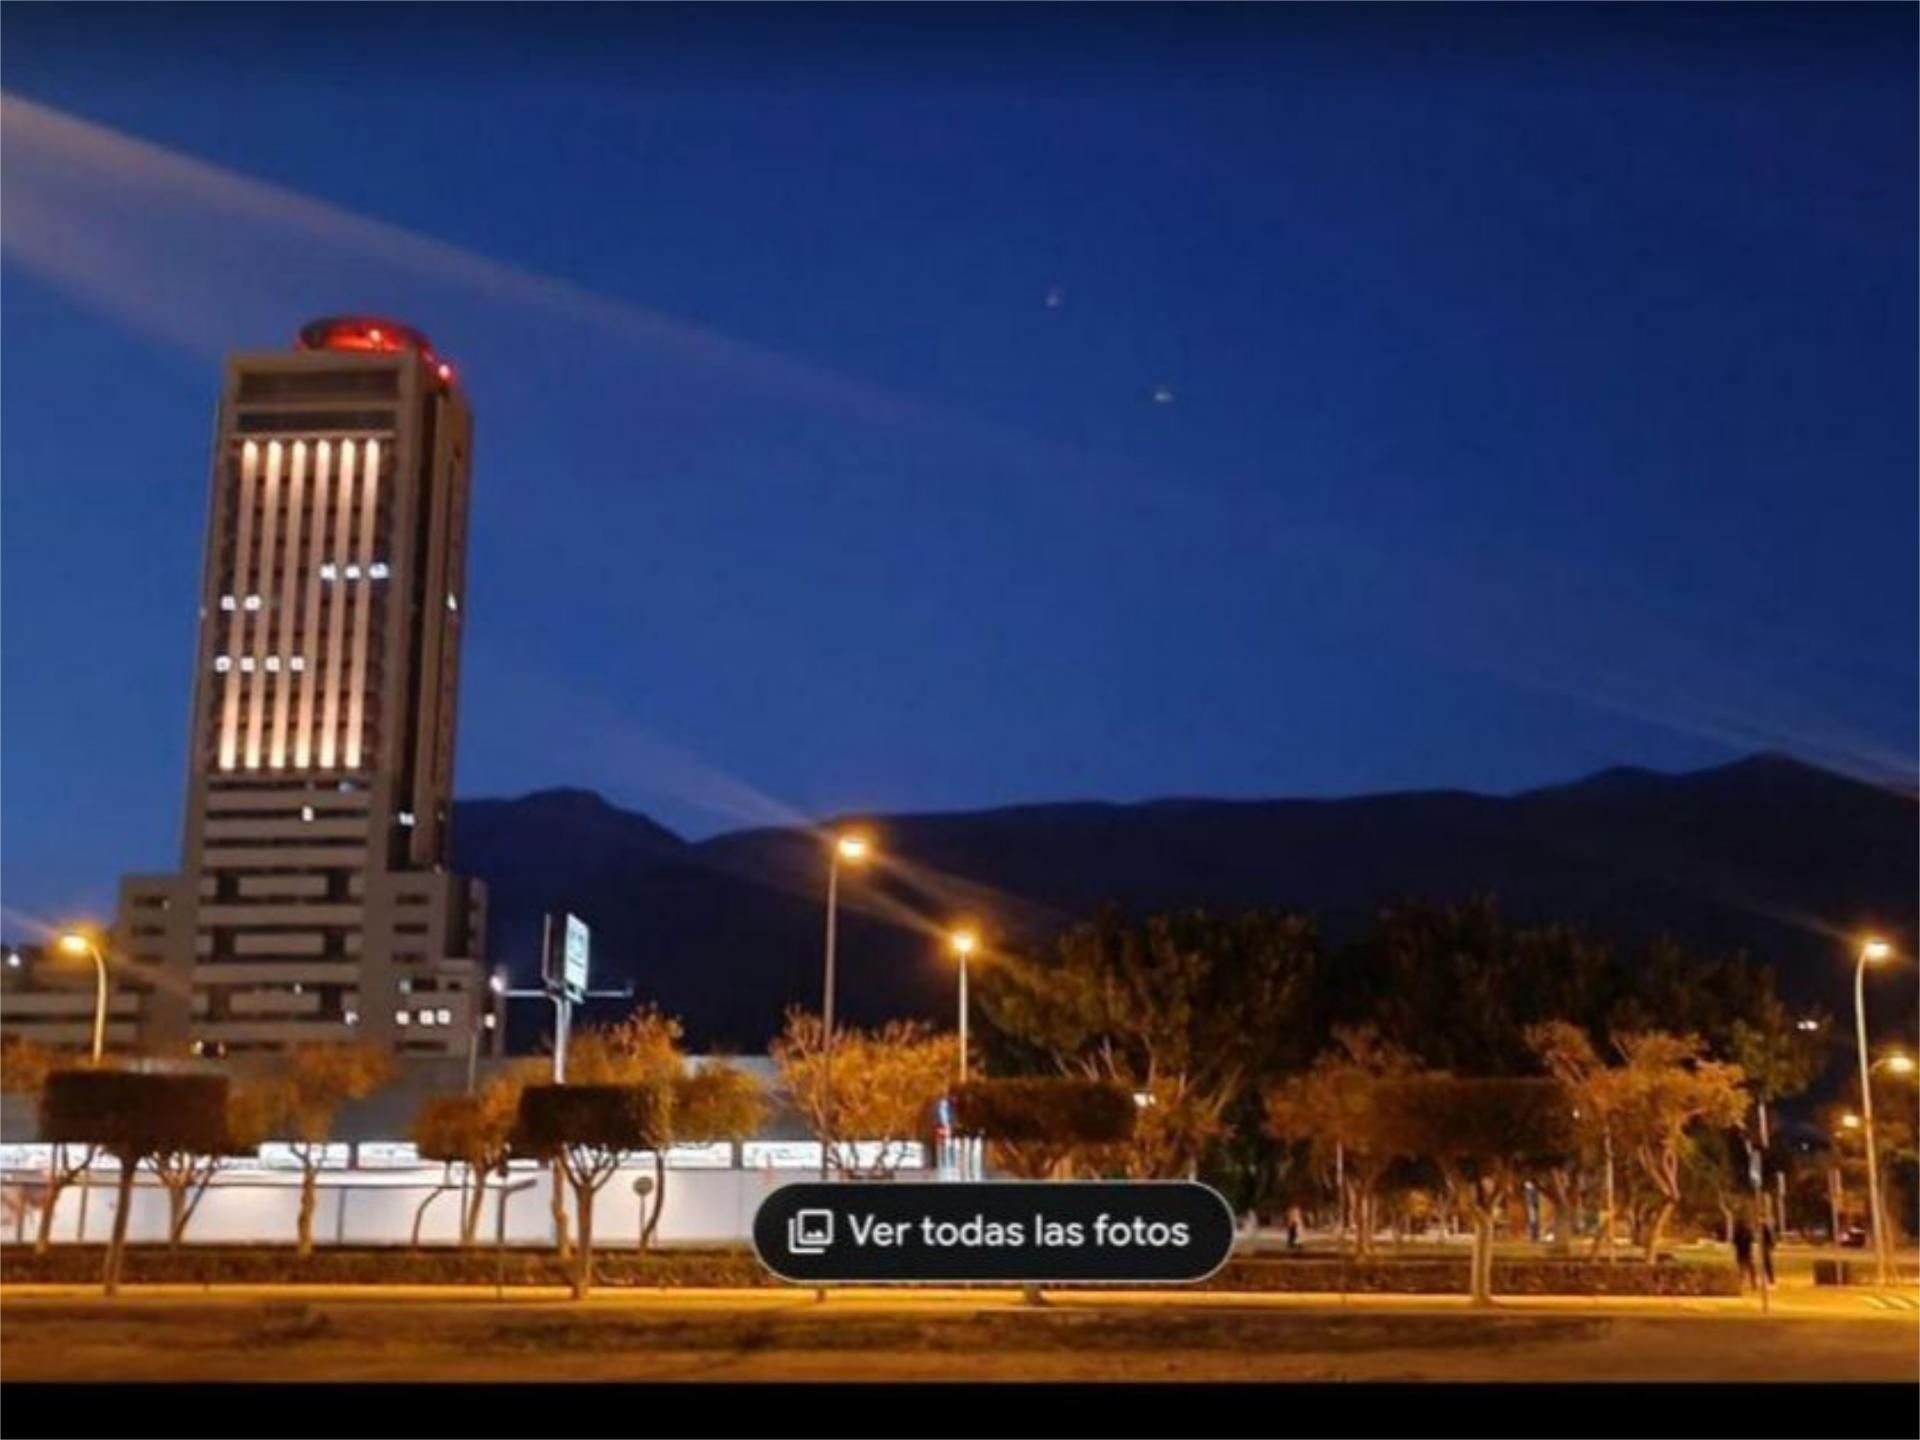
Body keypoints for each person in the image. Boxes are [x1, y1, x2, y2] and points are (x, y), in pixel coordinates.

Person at [1732, 1215, 1757, 1291]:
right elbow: (1752, 1239)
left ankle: (1741, 1284)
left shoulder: (1737, 1232)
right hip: (1747, 1252)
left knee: (1742, 1270)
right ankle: (1753, 1284)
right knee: (1751, 1269)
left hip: (1740, 1253)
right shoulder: (1747, 1231)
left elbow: (1734, 1242)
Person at [1760, 1218, 1776, 1286]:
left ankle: (1771, 1279)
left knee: (1767, 1264)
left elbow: (1769, 1238)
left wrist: (1771, 1246)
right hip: (1764, 1248)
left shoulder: (1765, 1228)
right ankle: (1768, 1279)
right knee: (1766, 1264)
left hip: (1765, 1248)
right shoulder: (1762, 1228)